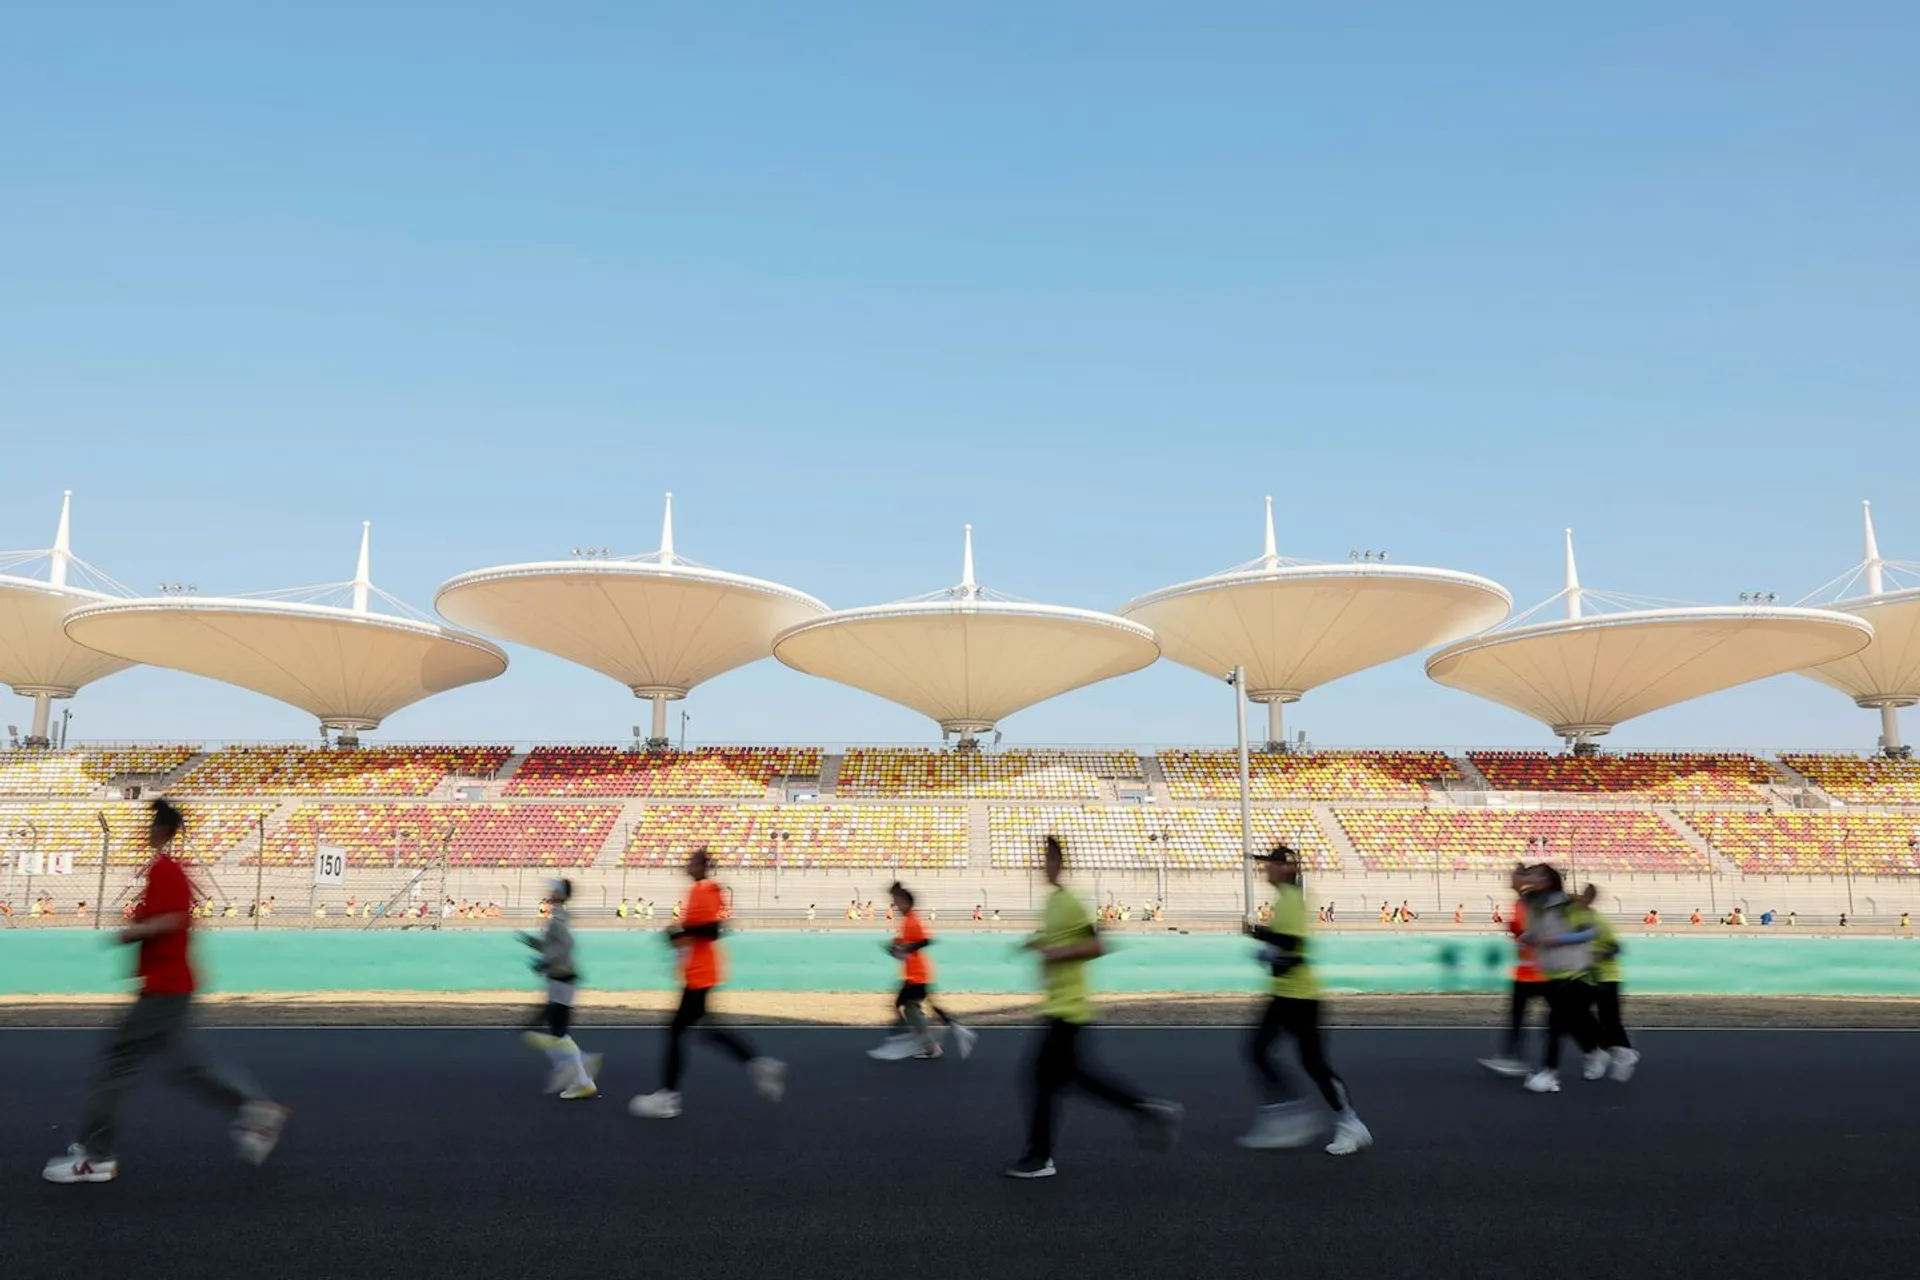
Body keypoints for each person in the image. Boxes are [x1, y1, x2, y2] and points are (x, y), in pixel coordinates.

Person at [43, 799, 289, 1184]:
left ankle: (97, 1156)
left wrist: (132, 931)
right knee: (185, 1067)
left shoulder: (164, 869)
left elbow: (171, 919)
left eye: (150, 824)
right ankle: (255, 1110)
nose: (147, 831)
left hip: (164, 989)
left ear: (160, 829)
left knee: (118, 1063)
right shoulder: (169, 870)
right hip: (169, 987)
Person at [1006, 836, 1180, 1180]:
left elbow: (1097, 944)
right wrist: (1037, 943)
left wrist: (1055, 954)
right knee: (1072, 1078)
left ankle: (1041, 1157)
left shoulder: (1071, 901)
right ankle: (1146, 1109)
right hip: (1059, 1005)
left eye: (1047, 860)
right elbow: (1058, 938)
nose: (1042, 866)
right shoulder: (1052, 903)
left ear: (1058, 863)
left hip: (1070, 1008)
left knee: (1042, 1078)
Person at [629, 849, 785, 1120]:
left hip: (701, 973)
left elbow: (713, 930)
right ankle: (760, 1064)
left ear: (703, 866)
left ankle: (668, 1097)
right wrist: (676, 937)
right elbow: (697, 930)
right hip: (697, 972)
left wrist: (680, 932)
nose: (687, 864)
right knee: (707, 1031)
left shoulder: (708, 889)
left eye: (693, 861)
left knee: (677, 1030)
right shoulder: (696, 891)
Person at [1237, 844, 1371, 1156]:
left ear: (1286, 868)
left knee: (1270, 1054)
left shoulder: (1293, 900)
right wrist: (1268, 947)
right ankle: (1341, 1122)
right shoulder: (1285, 899)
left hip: (1298, 996)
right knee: (1300, 1060)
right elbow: (1287, 947)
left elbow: (1294, 943)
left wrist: (1259, 935)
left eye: (1270, 864)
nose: (1264, 869)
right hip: (1291, 994)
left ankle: (1298, 1117)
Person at [1519, 865, 1606, 1094]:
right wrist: (1528, 938)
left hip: (1575, 972)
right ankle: (1595, 1051)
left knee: (1555, 1024)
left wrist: (1558, 939)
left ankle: (1549, 1074)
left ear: (1548, 880)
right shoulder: (1536, 906)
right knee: (1574, 1021)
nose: (1531, 879)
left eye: (1536, 876)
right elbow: (1537, 932)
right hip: (1552, 973)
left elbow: (1590, 932)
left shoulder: (1568, 904)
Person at [867, 882, 977, 1062]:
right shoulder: (906, 921)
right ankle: (939, 1036)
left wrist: (905, 949)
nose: (894, 905)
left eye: (896, 901)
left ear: (905, 902)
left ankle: (919, 1039)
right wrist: (894, 948)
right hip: (914, 973)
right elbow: (901, 946)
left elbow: (926, 940)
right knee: (913, 1007)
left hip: (917, 975)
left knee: (903, 1006)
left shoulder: (913, 920)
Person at [519, 878, 601, 1101]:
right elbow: (552, 945)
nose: (550, 892)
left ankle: (583, 1077)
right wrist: (530, 942)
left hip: (562, 976)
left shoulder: (558, 918)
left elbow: (565, 945)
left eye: (554, 889)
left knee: (558, 1032)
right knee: (557, 1031)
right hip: (559, 978)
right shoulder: (558, 917)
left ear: (562, 895)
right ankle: (582, 1075)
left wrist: (546, 962)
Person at [1478, 866, 1548, 1078]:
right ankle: (1511, 1057)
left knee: (1565, 1019)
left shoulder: (1533, 902)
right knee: (1517, 1016)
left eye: (1514, 876)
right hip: (1525, 972)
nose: (1510, 879)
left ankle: (1593, 1048)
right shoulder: (1519, 903)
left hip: (1544, 972)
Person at [1579, 884, 1639, 1082]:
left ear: (1591, 898)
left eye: (1586, 896)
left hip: (1607, 976)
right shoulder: (1574, 917)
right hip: (1587, 977)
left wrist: (1599, 955)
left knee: (1610, 1020)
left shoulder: (1599, 921)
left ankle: (1621, 1053)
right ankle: (1607, 1052)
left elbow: (1616, 947)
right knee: (1576, 1013)